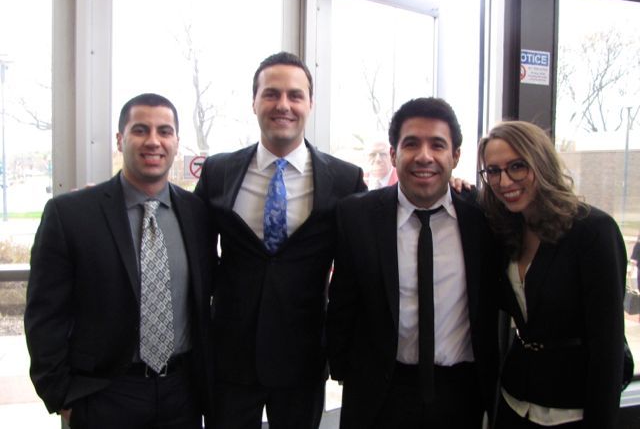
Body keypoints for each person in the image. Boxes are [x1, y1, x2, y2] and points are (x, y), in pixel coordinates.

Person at [194, 51, 366, 429]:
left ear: (310, 104)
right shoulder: (218, 171)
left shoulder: (345, 180)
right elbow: (192, 246)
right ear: (254, 102)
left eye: (295, 95)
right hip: (230, 358)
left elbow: (371, 248)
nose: (283, 105)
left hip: (303, 359)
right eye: (271, 94)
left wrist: (453, 188)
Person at [24, 93, 215, 428]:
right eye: (140, 130)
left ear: (176, 142)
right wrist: (61, 395)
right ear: (120, 139)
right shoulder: (71, 214)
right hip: (104, 395)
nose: (153, 141)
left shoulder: (198, 213)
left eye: (164, 131)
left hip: (182, 394)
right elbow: (45, 315)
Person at [326, 97, 500, 428]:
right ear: (394, 155)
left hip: (461, 394)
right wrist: (344, 369)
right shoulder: (356, 215)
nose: (424, 156)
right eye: (411, 144)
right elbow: (342, 302)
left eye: (437, 145)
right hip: (379, 392)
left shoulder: (484, 219)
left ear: (455, 156)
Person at [477, 120, 626, 428]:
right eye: (493, 171)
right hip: (515, 402)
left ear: (541, 164)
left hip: (571, 409)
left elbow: (607, 344)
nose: (504, 181)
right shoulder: (507, 229)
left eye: (517, 166)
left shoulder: (593, 231)